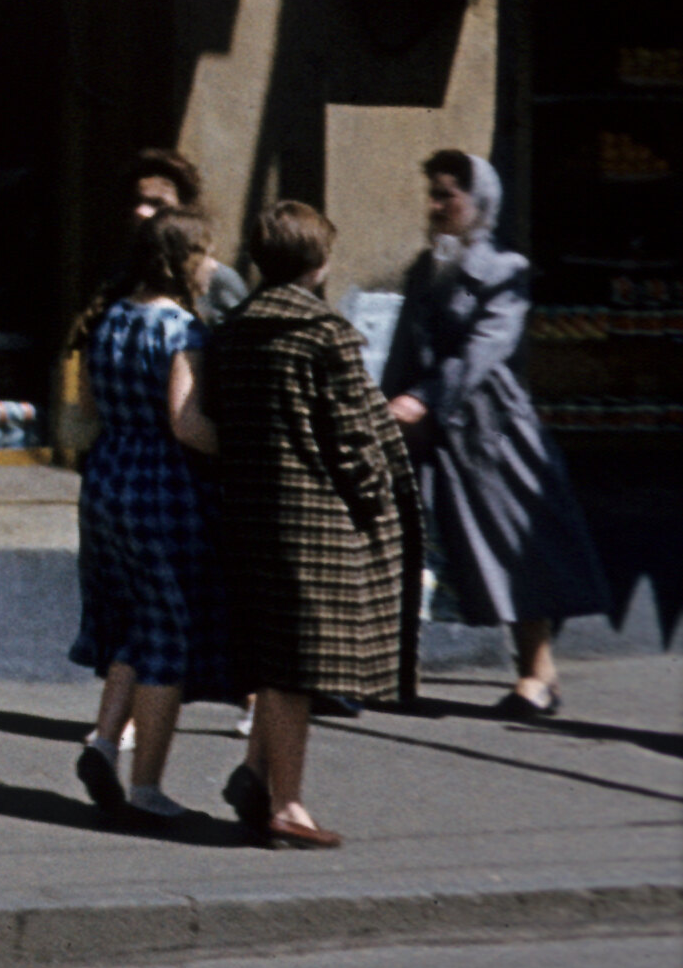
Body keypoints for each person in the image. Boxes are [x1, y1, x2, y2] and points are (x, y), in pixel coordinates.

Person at [199, 198, 411, 847]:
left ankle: (253, 774)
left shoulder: (231, 331)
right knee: (294, 666)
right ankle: (286, 802)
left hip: (246, 507)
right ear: (318, 263)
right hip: (315, 514)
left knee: (269, 653)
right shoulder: (324, 334)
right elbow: (351, 438)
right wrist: (377, 497)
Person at [381, 152, 613, 721]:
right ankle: (396, 671)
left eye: (448, 197)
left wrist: (421, 399)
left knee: (513, 553)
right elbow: (404, 349)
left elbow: (483, 350)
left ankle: (538, 673)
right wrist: (386, 404)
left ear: (480, 203)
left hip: (492, 436)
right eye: (432, 195)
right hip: (430, 435)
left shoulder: (505, 270)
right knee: (417, 550)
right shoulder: (425, 268)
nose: (436, 207)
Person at [67, 206, 227, 821]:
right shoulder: (182, 329)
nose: (212, 265)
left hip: (108, 479)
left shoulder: (107, 319)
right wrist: (246, 450)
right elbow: (186, 423)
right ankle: (147, 787)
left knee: (136, 619)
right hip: (164, 489)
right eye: (206, 254)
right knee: (169, 638)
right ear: (184, 259)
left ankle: (104, 742)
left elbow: (87, 411)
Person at [131, 147, 250, 319]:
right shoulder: (127, 273)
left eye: (158, 204)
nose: (141, 212)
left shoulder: (218, 281)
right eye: (137, 201)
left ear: (185, 213)